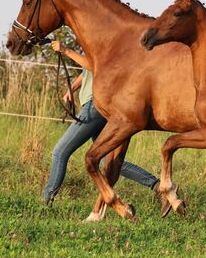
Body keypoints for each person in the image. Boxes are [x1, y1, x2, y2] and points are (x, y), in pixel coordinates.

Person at [41, 40, 170, 216]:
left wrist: (66, 50)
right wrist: (72, 88)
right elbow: (87, 70)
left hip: (94, 106)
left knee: (60, 151)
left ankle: (45, 202)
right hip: (96, 105)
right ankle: (157, 186)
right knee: (108, 161)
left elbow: (95, 66)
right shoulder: (96, 40)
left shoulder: (104, 43)